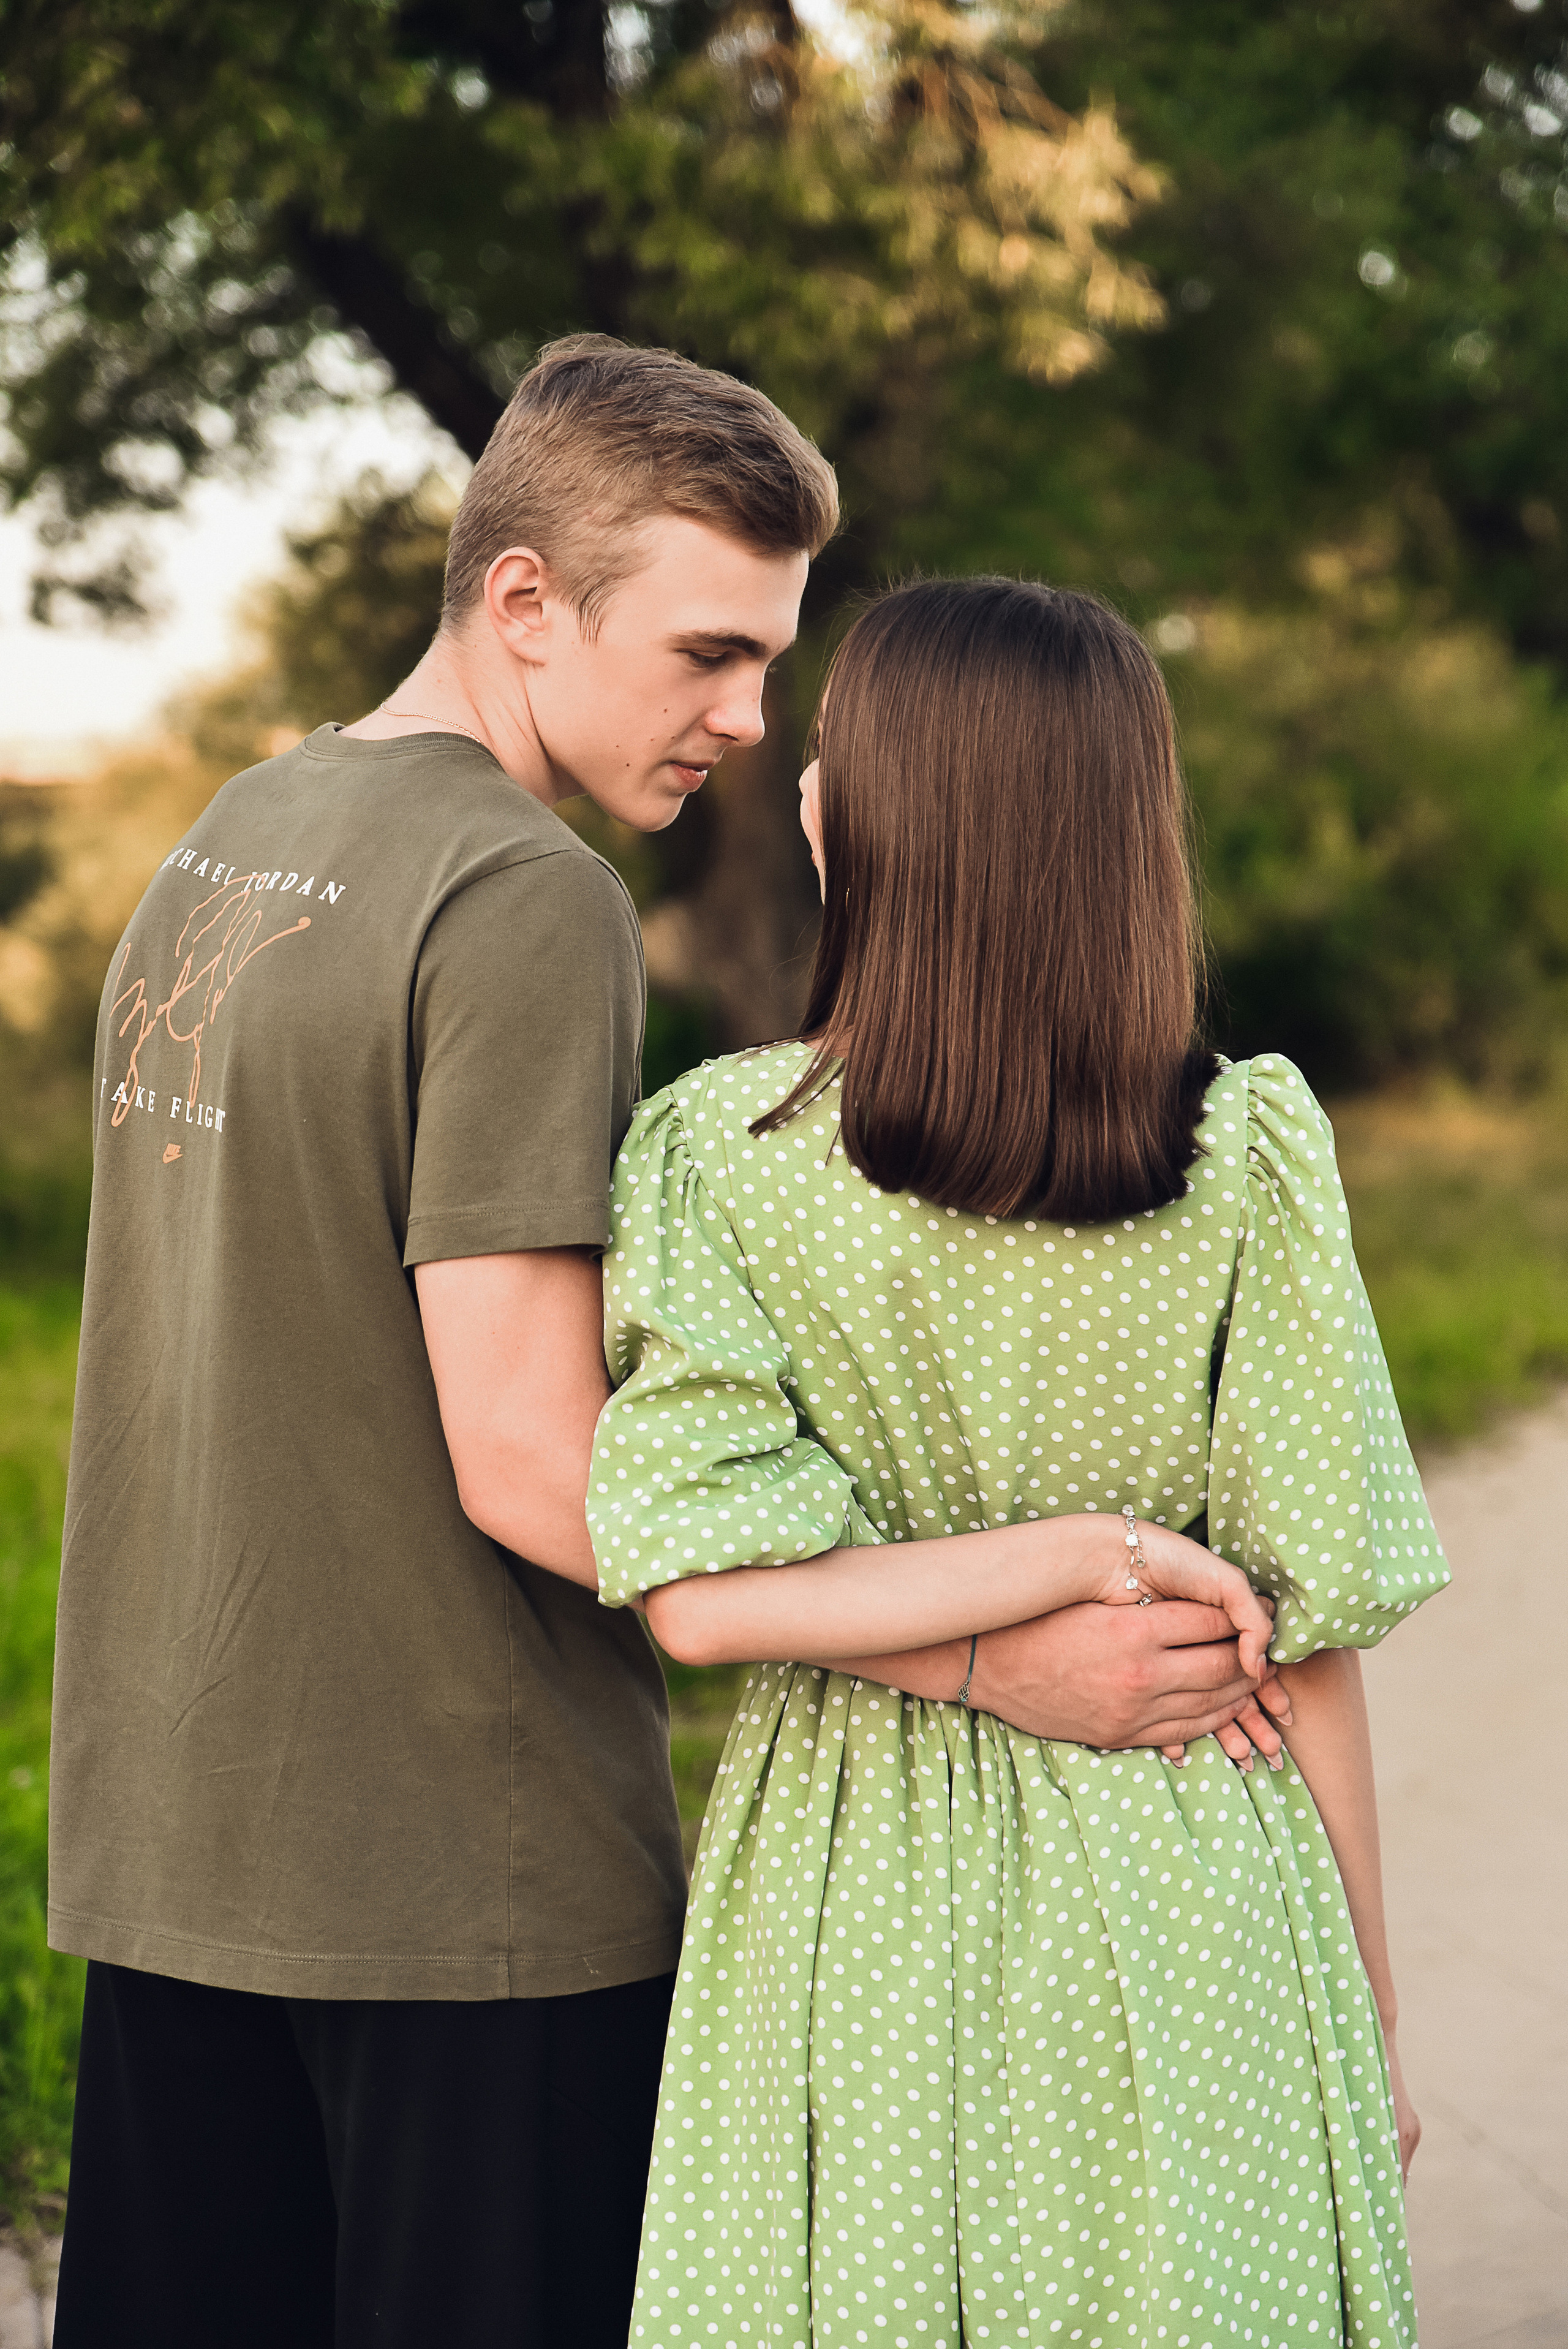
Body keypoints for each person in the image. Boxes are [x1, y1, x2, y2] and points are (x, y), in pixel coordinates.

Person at [47, 335, 839, 2349]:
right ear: (522, 602)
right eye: (707, 652)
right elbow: (524, 1453)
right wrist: (966, 1617)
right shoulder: (523, 891)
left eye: (771, 661)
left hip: (173, 1853)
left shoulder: (234, 837)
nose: (749, 717)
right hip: (464, 1897)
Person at [588, 580, 1450, 2349]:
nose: (805, 785)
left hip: (858, 1888)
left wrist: (1030, 1572)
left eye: (828, 760)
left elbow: (700, 1591)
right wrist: (1364, 2007)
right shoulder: (1247, 1147)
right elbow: (1314, 1631)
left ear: (865, 827)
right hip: (1202, 1876)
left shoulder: (717, 1158)